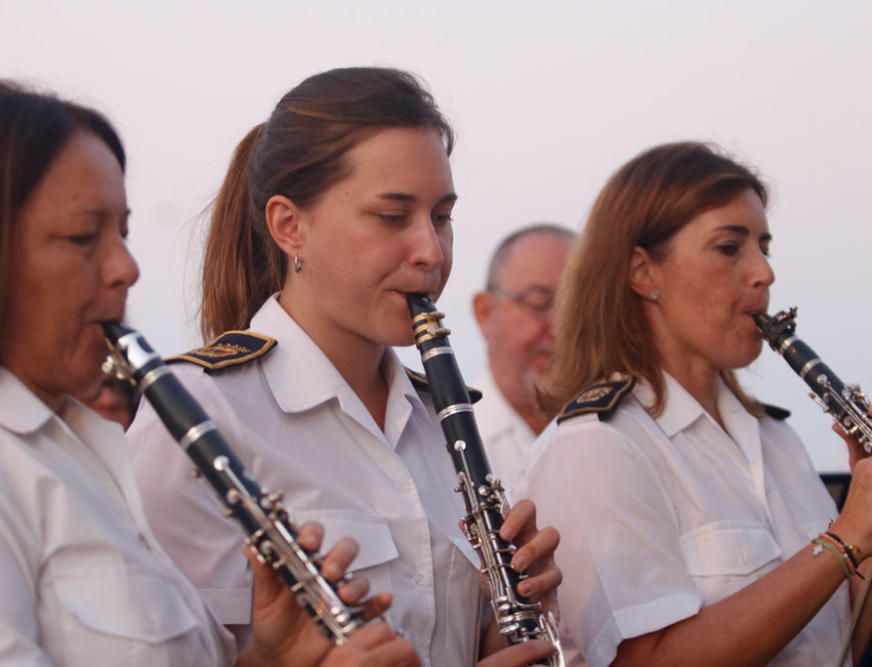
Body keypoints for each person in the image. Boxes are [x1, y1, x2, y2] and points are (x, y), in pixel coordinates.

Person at [0, 80, 417, 667]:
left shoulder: (82, 456)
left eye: (123, 234)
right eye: (84, 238)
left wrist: (269, 657)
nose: (126, 269)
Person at [127, 67, 563, 667]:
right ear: (289, 226)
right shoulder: (198, 410)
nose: (430, 253)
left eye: (441, 216)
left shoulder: (440, 422)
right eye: (392, 217)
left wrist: (505, 630)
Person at [517, 141, 872, 666]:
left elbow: (839, 645)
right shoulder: (596, 447)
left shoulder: (778, 441)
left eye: (764, 247)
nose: (763, 273)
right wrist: (846, 539)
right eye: (730, 248)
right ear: (643, 273)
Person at [471, 224, 575, 491]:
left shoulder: (628, 432)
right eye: (539, 303)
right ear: (485, 312)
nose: (560, 328)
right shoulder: (445, 447)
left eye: (577, 308)